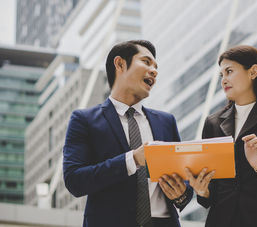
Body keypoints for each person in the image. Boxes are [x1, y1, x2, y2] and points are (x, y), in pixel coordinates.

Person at [63, 40, 193, 227]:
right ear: (120, 64)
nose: (154, 71)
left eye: (156, 67)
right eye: (146, 62)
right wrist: (133, 159)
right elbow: (74, 180)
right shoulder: (84, 120)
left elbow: (184, 182)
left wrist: (181, 194)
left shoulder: (166, 121)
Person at [185, 45, 257, 227]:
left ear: (253, 72)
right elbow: (210, 196)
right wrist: (202, 191)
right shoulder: (212, 123)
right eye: (222, 74)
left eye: (229, 71)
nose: (223, 80)